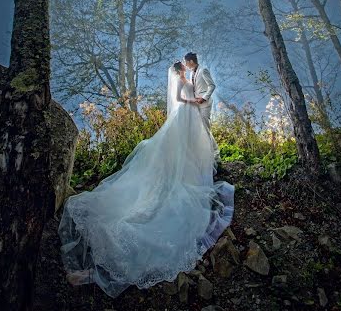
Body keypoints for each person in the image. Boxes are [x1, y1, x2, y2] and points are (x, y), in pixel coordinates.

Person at [58, 60, 234, 298]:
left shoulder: (188, 78)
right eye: (183, 67)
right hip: (185, 113)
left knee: (183, 149)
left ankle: (186, 169)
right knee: (177, 152)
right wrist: (194, 101)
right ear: (180, 71)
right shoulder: (183, 82)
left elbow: (197, 92)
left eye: (186, 65)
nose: (185, 67)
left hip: (188, 116)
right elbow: (182, 100)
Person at [184, 52, 221, 170]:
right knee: (201, 130)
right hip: (196, 105)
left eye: (186, 62)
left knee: (206, 129)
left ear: (190, 61)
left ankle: (215, 156)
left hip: (205, 105)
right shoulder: (191, 73)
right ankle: (208, 154)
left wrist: (204, 98)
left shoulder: (203, 70)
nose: (185, 64)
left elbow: (212, 85)